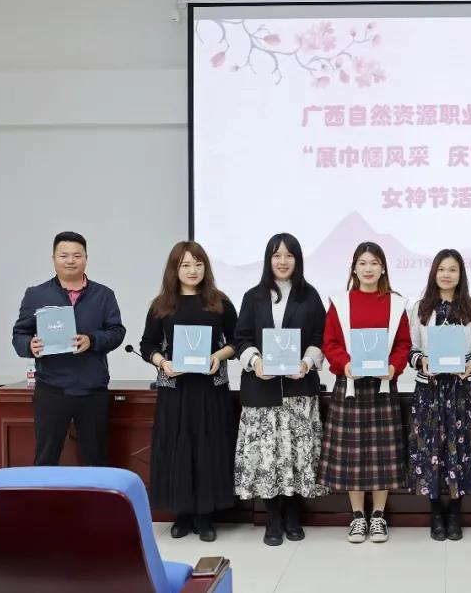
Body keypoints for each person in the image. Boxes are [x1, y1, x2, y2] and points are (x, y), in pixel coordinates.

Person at [232, 233, 329, 546]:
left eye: (289, 255)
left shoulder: (310, 296)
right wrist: (255, 360)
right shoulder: (253, 296)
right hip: (261, 389)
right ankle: (272, 518)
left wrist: (307, 361)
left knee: (297, 455)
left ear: (297, 260)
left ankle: (292, 515)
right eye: (277, 255)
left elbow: (321, 336)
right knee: (267, 458)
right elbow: (241, 338)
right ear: (268, 260)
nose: (283, 261)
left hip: (299, 388)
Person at [139, 241, 237, 542]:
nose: (192, 270)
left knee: (208, 448)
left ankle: (205, 516)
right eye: (185, 265)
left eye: (198, 263)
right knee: (177, 449)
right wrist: (162, 362)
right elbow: (147, 345)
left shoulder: (219, 302)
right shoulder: (162, 305)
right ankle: (181, 514)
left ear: (206, 267)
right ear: (174, 269)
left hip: (210, 390)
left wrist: (218, 356)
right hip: (175, 390)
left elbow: (238, 341)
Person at [319, 242, 412, 544]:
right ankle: (358, 516)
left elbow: (403, 344)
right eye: (362, 263)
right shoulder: (340, 302)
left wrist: (394, 367)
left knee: (382, 455)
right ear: (354, 268)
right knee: (353, 455)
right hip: (350, 386)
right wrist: (344, 364)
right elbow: (330, 343)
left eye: (374, 263)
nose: (368, 268)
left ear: (383, 268)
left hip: (383, 386)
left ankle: (379, 516)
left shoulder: (396, 303)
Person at [12, 231, 126, 466]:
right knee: (46, 457)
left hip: (92, 389)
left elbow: (117, 332)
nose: (71, 261)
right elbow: (19, 335)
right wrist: (29, 345)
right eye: (64, 255)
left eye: (77, 255)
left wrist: (92, 340)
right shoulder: (36, 295)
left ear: (86, 258)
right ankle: (44, 492)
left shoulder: (104, 295)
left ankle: (95, 492)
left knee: (96, 458)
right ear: (53, 259)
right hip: (51, 389)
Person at [407, 249, 471, 541]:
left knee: (461, 450)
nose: (446, 274)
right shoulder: (420, 307)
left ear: (460, 275)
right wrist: (421, 361)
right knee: (430, 451)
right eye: (442, 269)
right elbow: (412, 348)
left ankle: (455, 513)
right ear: (434, 272)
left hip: (461, 391)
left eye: (453, 269)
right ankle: (435, 513)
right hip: (429, 391)